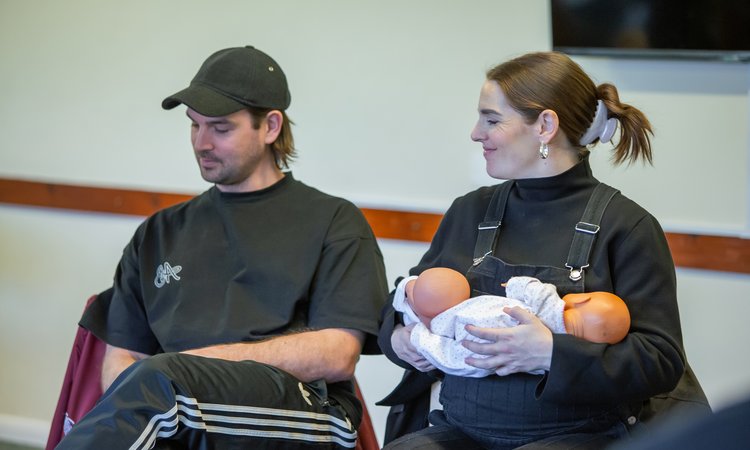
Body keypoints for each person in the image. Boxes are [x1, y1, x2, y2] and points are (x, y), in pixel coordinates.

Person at [57, 45, 388, 449]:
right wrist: (171, 380)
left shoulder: (334, 221)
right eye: (193, 126)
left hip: (305, 414)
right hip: (174, 407)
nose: (201, 142)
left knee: (162, 383)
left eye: (220, 128)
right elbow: (122, 360)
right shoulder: (159, 232)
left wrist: (190, 368)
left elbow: (337, 354)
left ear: (269, 126)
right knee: (155, 389)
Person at [376, 51, 708, 449]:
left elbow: (660, 360)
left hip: (579, 436)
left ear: (545, 126)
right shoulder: (470, 211)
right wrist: (399, 341)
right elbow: (404, 303)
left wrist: (550, 354)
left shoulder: (627, 226)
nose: (476, 133)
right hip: (462, 430)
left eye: (492, 119)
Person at [394, 268, 630, 377]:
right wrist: (400, 338)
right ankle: (418, 331)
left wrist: (513, 285)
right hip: (478, 346)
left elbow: (529, 286)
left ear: (581, 299)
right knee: (460, 359)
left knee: (438, 288)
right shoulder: (558, 349)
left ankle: (409, 297)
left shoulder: (550, 303)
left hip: (468, 312)